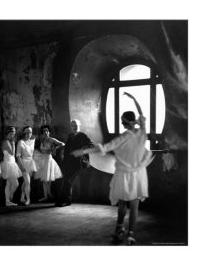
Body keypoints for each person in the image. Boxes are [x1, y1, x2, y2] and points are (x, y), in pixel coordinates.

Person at [72, 92, 153, 245]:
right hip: (138, 174)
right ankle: (130, 234)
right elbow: (142, 115)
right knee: (134, 206)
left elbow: (103, 148)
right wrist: (134, 99)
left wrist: (82, 151)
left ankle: (119, 228)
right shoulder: (142, 133)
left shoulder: (122, 138)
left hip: (123, 174)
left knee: (122, 204)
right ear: (134, 121)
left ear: (123, 123)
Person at [56, 119, 93, 207]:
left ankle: (64, 200)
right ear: (71, 127)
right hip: (69, 163)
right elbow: (67, 150)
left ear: (79, 126)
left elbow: (91, 145)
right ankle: (65, 200)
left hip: (78, 162)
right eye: (73, 125)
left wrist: (82, 150)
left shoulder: (82, 135)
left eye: (76, 125)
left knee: (68, 180)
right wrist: (64, 162)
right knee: (66, 180)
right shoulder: (70, 136)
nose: (74, 127)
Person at [33, 125, 65, 202]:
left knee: (48, 180)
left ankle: (49, 195)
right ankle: (46, 196)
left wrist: (54, 148)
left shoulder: (51, 139)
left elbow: (63, 144)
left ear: (49, 132)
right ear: (42, 133)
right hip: (42, 160)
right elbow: (38, 149)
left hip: (49, 160)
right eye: (44, 131)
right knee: (44, 180)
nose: (45, 132)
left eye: (47, 131)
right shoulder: (41, 140)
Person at [0, 126, 22, 207]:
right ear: (7, 134)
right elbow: (12, 153)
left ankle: (7, 201)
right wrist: (13, 143)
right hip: (8, 164)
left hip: (12, 163)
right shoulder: (6, 142)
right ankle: (10, 197)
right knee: (15, 184)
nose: (12, 136)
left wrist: (13, 143)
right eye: (10, 134)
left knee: (8, 184)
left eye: (13, 134)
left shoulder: (10, 141)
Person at [16, 126, 37, 205]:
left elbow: (33, 152)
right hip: (23, 162)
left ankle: (22, 197)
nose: (29, 134)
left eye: (30, 132)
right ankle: (28, 199)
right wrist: (21, 166)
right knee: (27, 182)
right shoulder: (20, 142)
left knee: (25, 182)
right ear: (24, 133)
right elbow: (18, 155)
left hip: (31, 162)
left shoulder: (33, 140)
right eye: (27, 132)